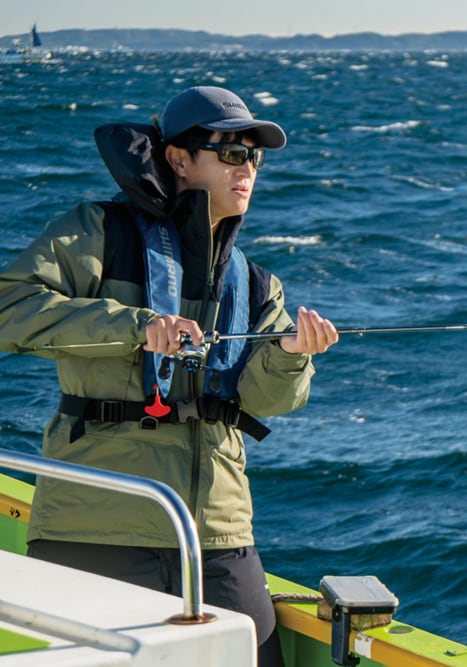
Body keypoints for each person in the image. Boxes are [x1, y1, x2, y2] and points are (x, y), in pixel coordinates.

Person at [0, 86, 338, 667]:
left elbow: (268, 399)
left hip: (220, 534)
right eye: (231, 153)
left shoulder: (259, 284)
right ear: (178, 159)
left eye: (254, 156)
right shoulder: (94, 232)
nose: (247, 169)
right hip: (97, 524)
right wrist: (136, 325)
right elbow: (9, 309)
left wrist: (289, 354)